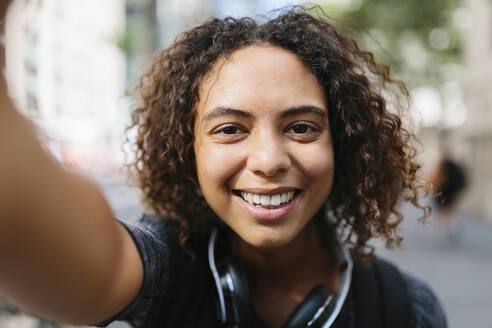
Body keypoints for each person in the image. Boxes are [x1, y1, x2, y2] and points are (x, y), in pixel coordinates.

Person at [0, 3, 447, 328]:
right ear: (187, 151)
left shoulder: (406, 309)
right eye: (231, 129)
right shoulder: (170, 271)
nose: (269, 161)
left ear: (343, 143)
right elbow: (49, 248)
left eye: (302, 127)